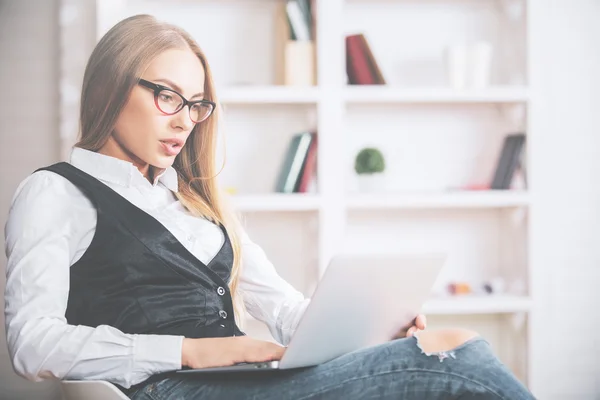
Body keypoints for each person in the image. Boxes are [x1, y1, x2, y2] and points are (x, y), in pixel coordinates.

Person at [4, 14, 536, 400]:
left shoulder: (195, 203)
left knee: (445, 349)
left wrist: (373, 329)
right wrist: (191, 351)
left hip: (251, 380)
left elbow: (282, 310)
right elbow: (33, 344)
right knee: (455, 354)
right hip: (185, 390)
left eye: (196, 105)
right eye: (168, 96)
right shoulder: (56, 192)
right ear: (110, 88)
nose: (185, 120)